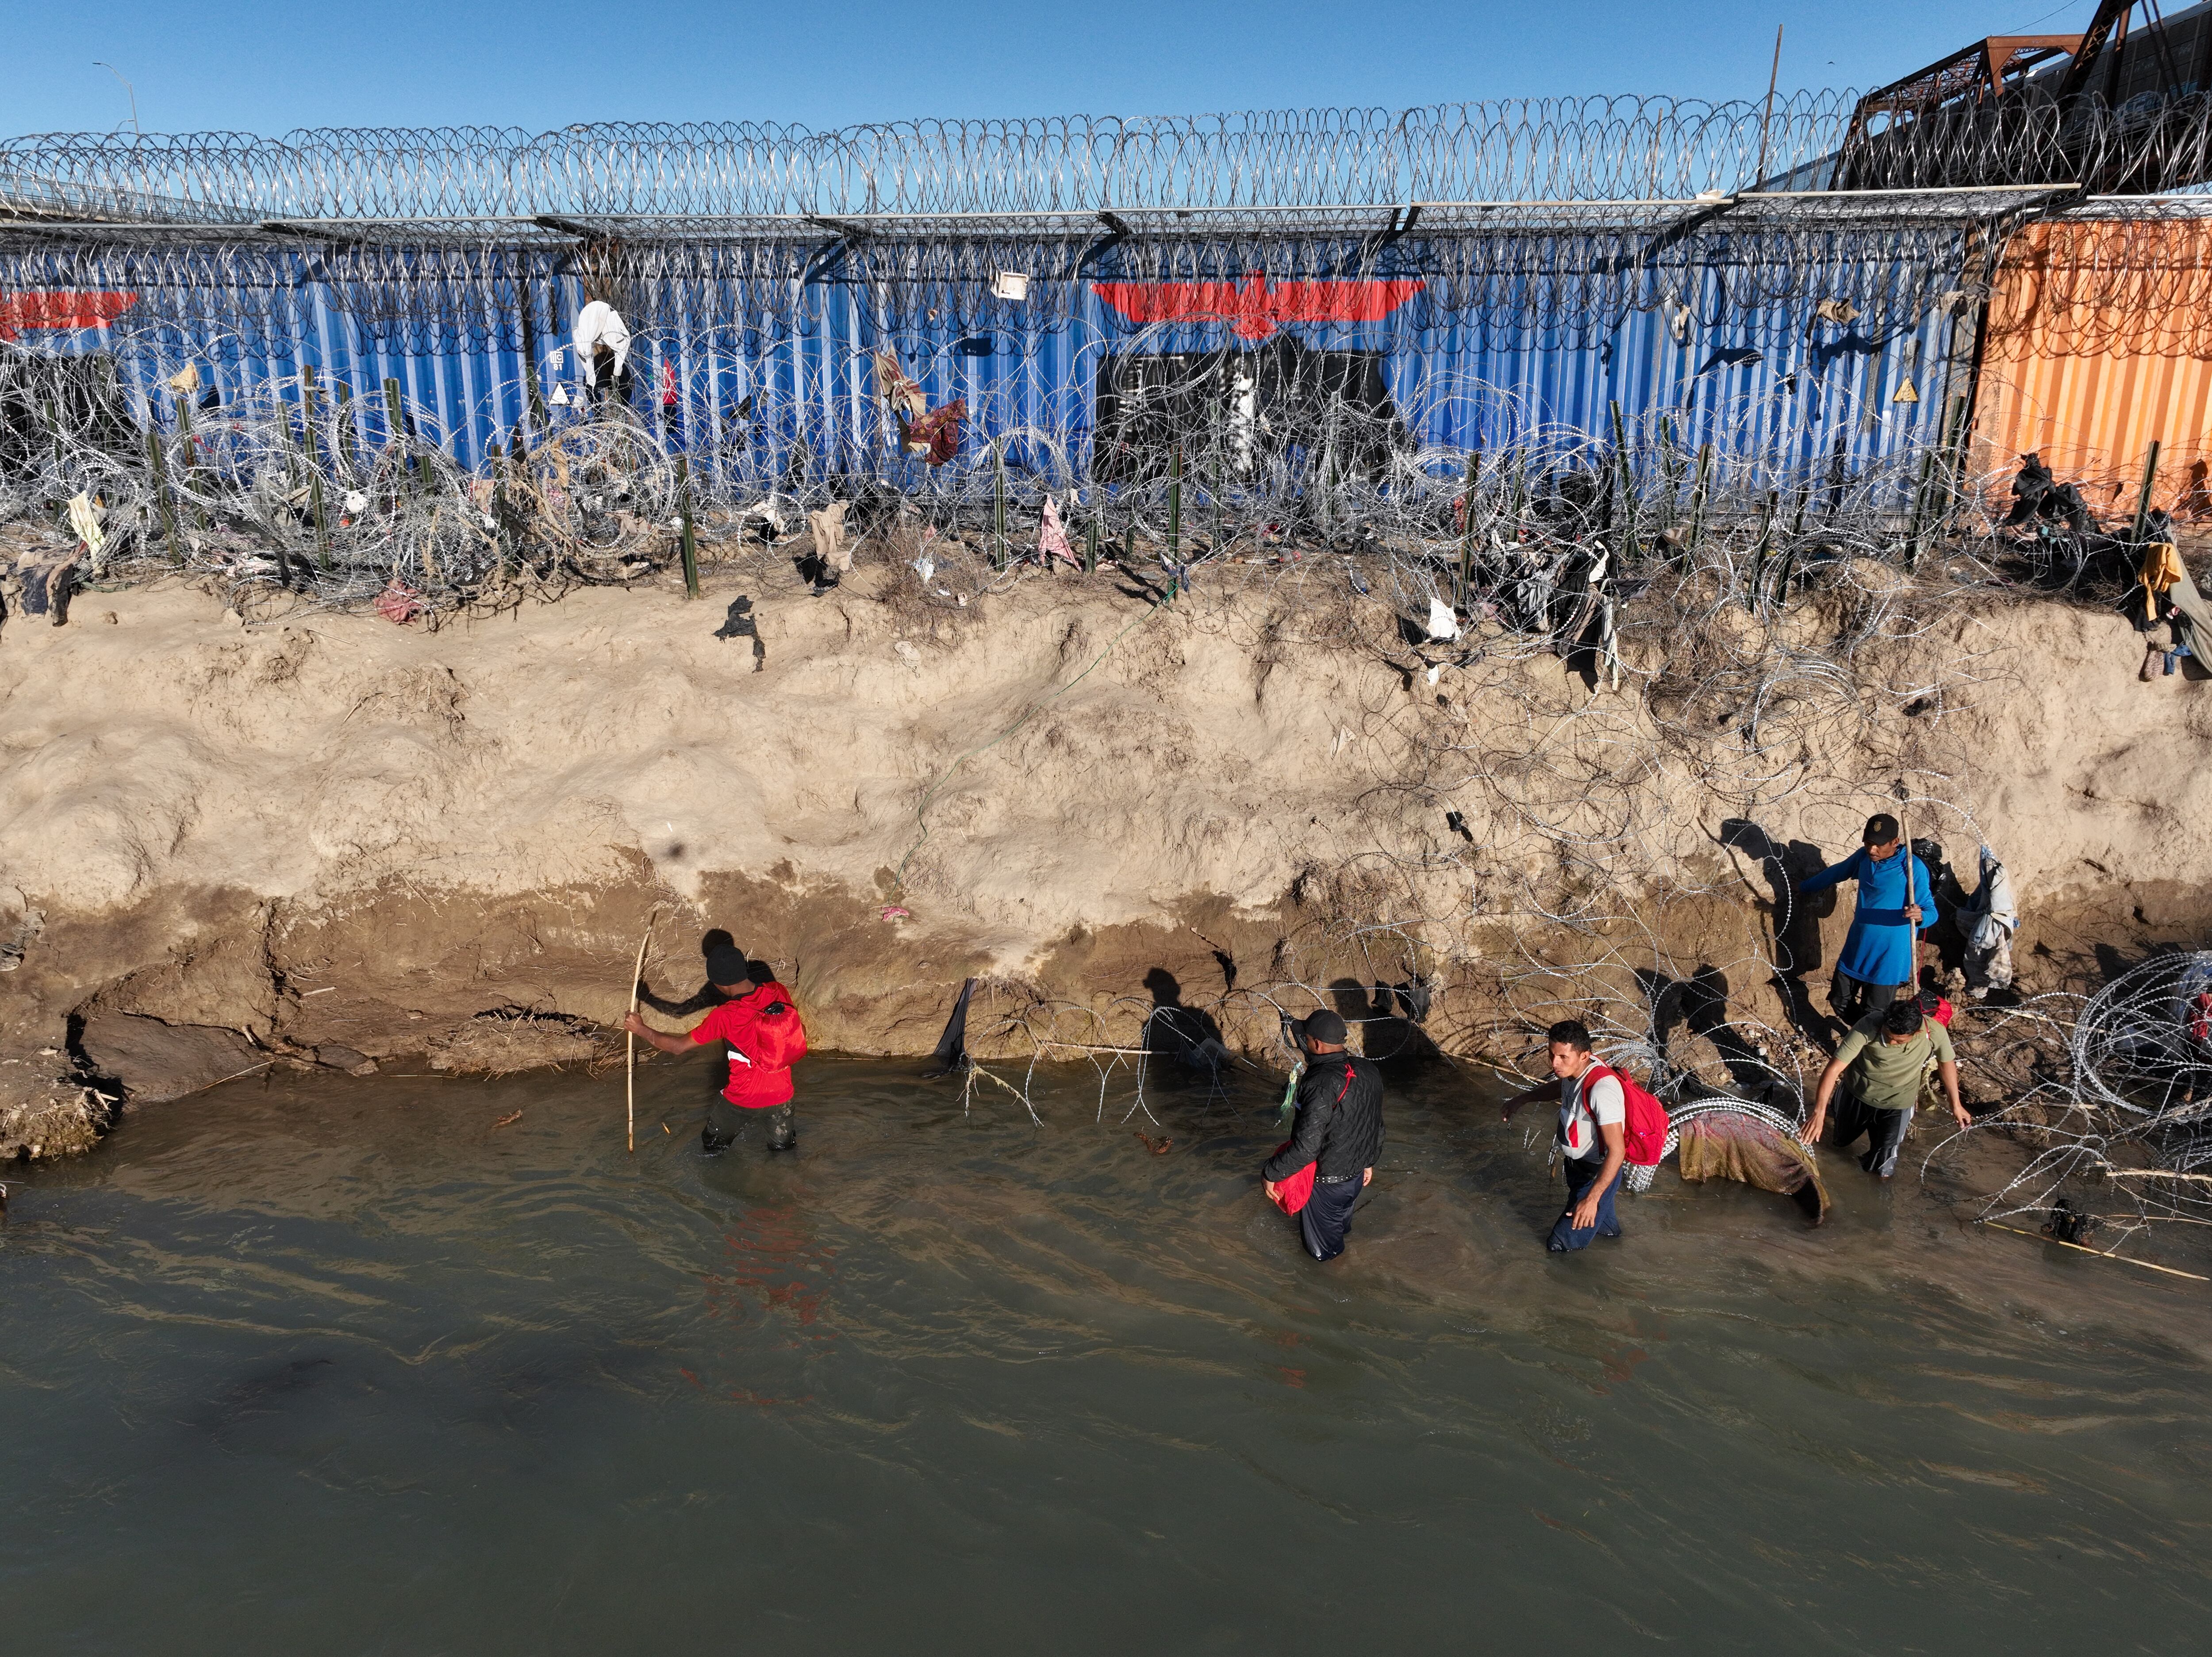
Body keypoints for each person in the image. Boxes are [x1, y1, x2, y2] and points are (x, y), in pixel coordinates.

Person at [624, 940, 803, 1154]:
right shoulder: (778, 991)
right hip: (783, 1096)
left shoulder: (726, 1016)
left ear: (719, 984)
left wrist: (641, 1029)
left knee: (714, 1146)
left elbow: (678, 1047)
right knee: (784, 1153)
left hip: (742, 1100)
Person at [1261, 1010, 1384, 1262]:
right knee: (1340, 1230)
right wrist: (1369, 1161)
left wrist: (1270, 1173)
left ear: (1316, 1044)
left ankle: (1337, 1284)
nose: (1304, 1043)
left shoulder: (1320, 1083)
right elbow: (1375, 1122)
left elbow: (1307, 1148)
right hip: (1356, 1177)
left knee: (1322, 1257)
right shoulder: (1368, 1069)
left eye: (1306, 1039)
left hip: (1328, 1184)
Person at [1797, 813, 1936, 1029]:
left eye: (1879, 845)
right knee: (1839, 1000)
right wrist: (1803, 887)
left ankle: (1871, 1048)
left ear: (1895, 842)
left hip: (1889, 955)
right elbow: (1837, 872)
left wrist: (1920, 916)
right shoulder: (1864, 857)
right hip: (1858, 946)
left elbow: (1930, 911)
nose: (1873, 850)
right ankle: (1866, 1034)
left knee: (1875, 1012)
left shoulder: (1912, 867)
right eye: (1868, 843)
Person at [1804, 998, 1969, 1178]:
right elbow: (1834, 1069)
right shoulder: (1868, 1025)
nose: (1891, 1044)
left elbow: (1946, 1064)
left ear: (1917, 1033)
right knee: (1839, 1142)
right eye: (1887, 1036)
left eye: (1899, 1042)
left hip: (1898, 1102)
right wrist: (1818, 1113)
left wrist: (1956, 1105)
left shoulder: (1934, 1033)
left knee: (1883, 1170)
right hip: (1858, 1093)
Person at [1501, 1019, 1626, 1253]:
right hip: (1577, 1169)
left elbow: (1618, 1151)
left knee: (1559, 1244)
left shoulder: (1602, 1090)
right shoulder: (1573, 1071)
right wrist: (1524, 1098)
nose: (1554, 1063)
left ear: (1584, 1056)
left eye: (1562, 1058)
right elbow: (1560, 1087)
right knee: (1607, 1233)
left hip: (1595, 1176)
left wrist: (1591, 1199)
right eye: (1552, 1055)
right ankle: (1616, 1252)